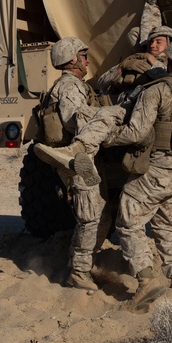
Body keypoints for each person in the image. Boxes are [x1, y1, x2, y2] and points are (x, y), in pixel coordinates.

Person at [105, 35, 172, 305]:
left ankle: (145, 280)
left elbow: (136, 132)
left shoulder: (158, 90)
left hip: (159, 168)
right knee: (168, 227)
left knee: (128, 219)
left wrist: (107, 137)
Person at [34, 26, 172, 188]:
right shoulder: (135, 59)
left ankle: (80, 152)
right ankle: (82, 153)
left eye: (159, 42)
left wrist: (152, 61)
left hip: (141, 115)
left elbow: (171, 80)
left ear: (171, 45)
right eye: (151, 41)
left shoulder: (171, 65)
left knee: (107, 118)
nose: (153, 45)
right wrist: (123, 66)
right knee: (100, 115)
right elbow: (102, 83)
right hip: (123, 112)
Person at [33, 36, 107, 291]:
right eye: (84, 56)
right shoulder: (71, 86)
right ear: (74, 59)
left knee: (96, 209)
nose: (87, 61)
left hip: (76, 158)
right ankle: (78, 271)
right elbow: (73, 119)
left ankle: (84, 263)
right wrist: (104, 118)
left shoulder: (67, 85)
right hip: (75, 158)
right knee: (90, 215)